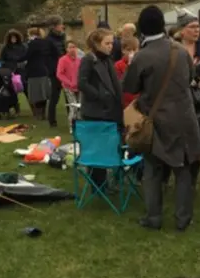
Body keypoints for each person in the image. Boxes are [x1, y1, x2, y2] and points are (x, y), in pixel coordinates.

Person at [122, 5, 200, 232]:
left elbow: (130, 87)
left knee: (153, 170)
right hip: (185, 119)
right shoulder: (180, 50)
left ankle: (153, 218)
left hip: (157, 120)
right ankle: (183, 219)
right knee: (183, 170)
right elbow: (190, 78)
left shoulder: (142, 56)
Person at [165, 7, 200, 186]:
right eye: (192, 27)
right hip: (175, 102)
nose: (197, 30)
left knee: (198, 141)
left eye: (198, 27)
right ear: (182, 29)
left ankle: (191, 180)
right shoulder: (171, 47)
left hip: (199, 103)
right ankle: (167, 177)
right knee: (174, 142)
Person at [78, 28, 123, 191]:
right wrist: (99, 95)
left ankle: (105, 182)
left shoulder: (106, 59)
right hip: (95, 112)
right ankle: (98, 186)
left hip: (109, 111)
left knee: (107, 148)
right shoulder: (89, 60)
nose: (111, 46)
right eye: (107, 43)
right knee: (98, 150)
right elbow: (82, 83)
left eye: (112, 43)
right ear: (97, 43)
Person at [24, 27, 54, 120]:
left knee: (36, 94)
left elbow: (26, 56)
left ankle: (38, 114)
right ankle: (43, 113)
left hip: (34, 71)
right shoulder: (45, 43)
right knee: (43, 93)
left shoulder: (32, 44)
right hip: (44, 70)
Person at [44, 15, 67, 127]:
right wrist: (55, 70)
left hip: (66, 71)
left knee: (69, 95)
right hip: (55, 72)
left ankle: (71, 118)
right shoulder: (48, 40)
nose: (62, 26)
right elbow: (48, 58)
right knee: (55, 96)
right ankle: (52, 120)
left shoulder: (62, 38)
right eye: (60, 24)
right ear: (54, 27)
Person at [56, 40, 82, 133]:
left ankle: (79, 125)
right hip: (68, 87)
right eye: (70, 47)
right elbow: (59, 74)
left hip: (79, 87)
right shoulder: (62, 60)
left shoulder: (79, 60)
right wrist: (69, 82)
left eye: (74, 47)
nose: (72, 49)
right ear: (66, 49)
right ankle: (72, 126)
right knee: (73, 107)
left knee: (80, 107)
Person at [114, 36, 140, 107]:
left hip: (138, 100)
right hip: (124, 101)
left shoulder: (141, 63)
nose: (132, 53)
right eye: (129, 50)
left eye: (134, 50)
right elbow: (119, 84)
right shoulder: (118, 65)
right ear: (123, 50)